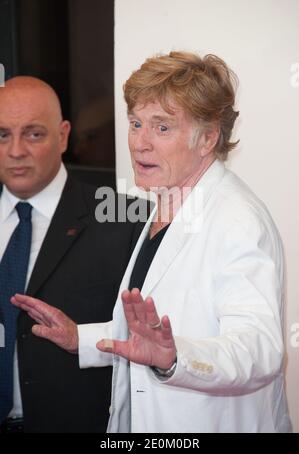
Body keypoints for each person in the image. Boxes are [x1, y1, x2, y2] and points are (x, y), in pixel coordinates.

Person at [12, 52, 292, 433]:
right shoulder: (167, 205)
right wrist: (82, 337)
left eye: (162, 128)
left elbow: (260, 350)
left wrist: (176, 358)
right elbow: (145, 340)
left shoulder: (236, 220)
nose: (140, 143)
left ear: (208, 137)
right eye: (136, 123)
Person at [0, 76, 147, 433]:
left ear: (63, 135)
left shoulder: (125, 218)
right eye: (2, 134)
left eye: (33, 134)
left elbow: (149, 344)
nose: (16, 150)